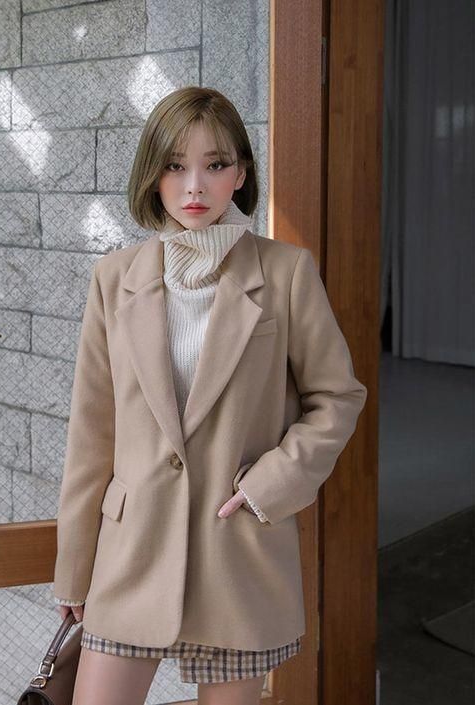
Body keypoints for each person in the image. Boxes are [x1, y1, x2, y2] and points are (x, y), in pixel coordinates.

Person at [53, 86, 368, 705]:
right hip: (131, 553)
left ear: (240, 174)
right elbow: (91, 434)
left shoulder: (286, 272)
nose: (194, 185)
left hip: (236, 553)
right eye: (175, 165)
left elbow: (338, 396)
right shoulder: (114, 278)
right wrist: (73, 566)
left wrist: (271, 484)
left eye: (215, 164)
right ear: (153, 175)